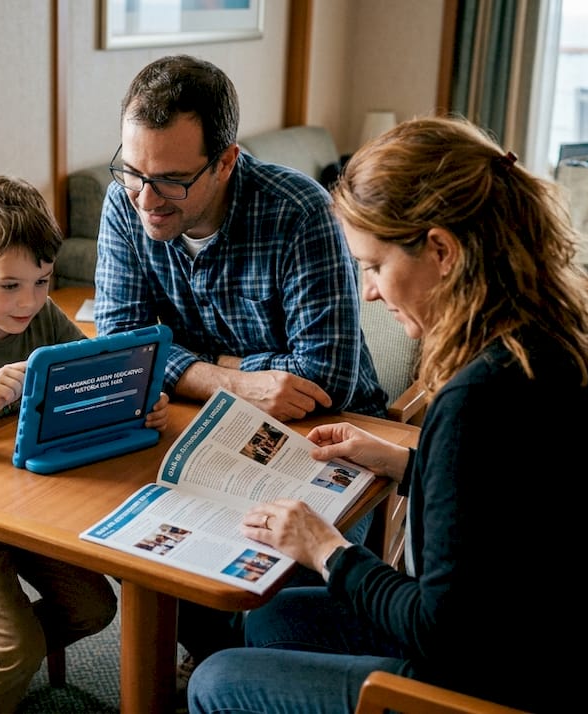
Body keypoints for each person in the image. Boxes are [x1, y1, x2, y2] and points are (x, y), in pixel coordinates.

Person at [186, 115, 588, 713]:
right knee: (275, 616)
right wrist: (405, 462)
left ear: (441, 250)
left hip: (519, 689)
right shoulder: (567, 340)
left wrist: (325, 550)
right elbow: (519, 505)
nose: (368, 293)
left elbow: (439, 629)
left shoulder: (480, 395)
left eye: (374, 266)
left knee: (215, 680)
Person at [95, 53, 390, 686]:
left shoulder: (297, 211)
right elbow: (121, 341)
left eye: (171, 179)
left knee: (273, 580)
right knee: (127, 533)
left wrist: (178, 361)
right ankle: (209, 659)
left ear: (227, 160)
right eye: (132, 171)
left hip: (331, 434)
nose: (147, 199)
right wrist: (232, 378)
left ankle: (246, 673)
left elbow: (324, 374)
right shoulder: (127, 203)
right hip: (198, 421)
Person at [0, 175, 170, 714]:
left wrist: (140, 401)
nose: (31, 300)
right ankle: (0, 657)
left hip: (21, 506)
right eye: (10, 285)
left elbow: (91, 369)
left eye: (43, 281)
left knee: (94, 611)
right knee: (16, 648)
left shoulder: (41, 315)